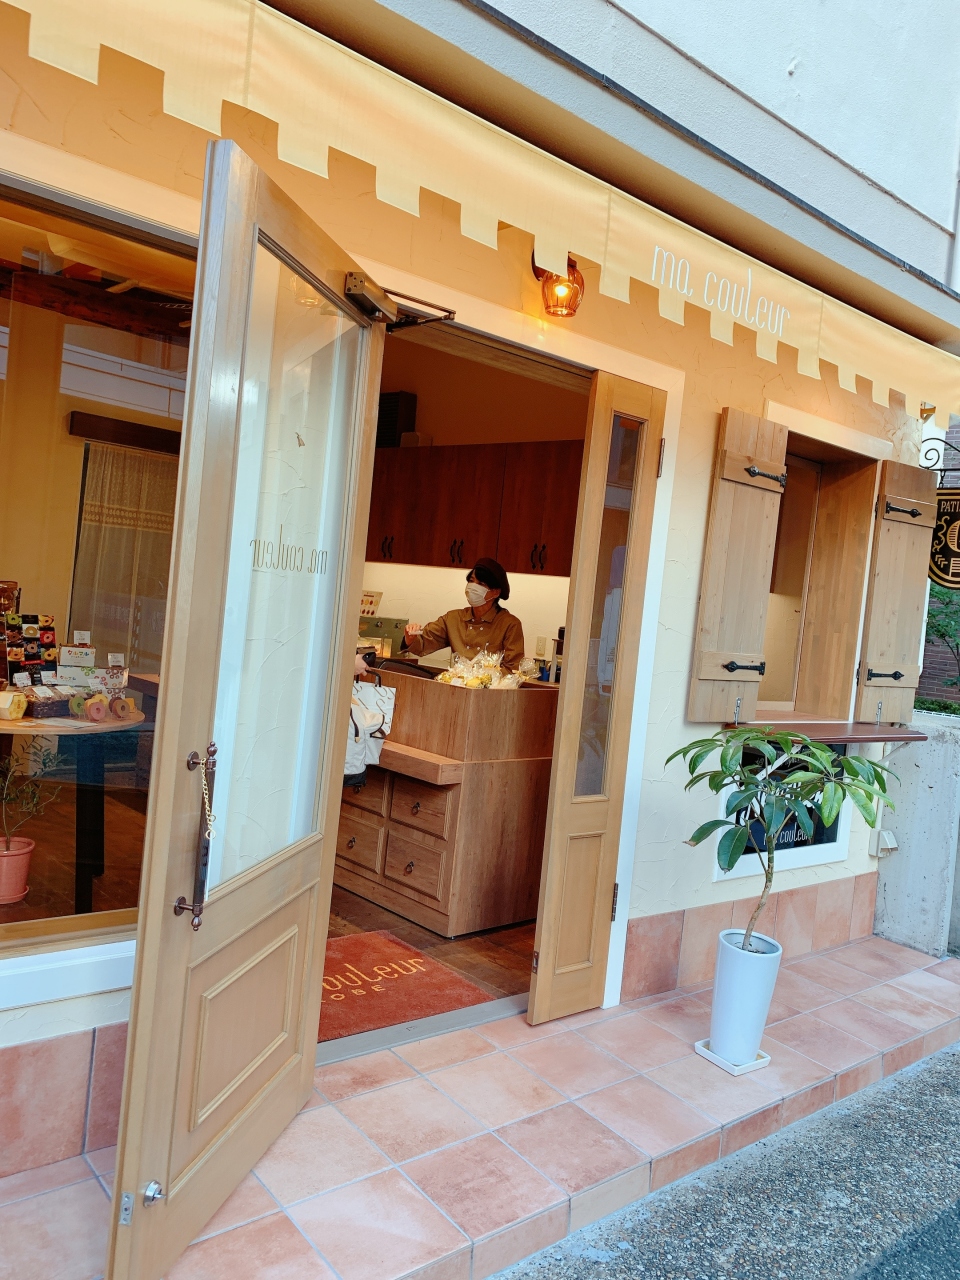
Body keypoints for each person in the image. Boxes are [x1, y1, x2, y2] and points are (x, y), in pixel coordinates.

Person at [403, 557, 525, 671]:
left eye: (481, 584)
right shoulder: (453, 618)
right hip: (456, 683)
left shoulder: (510, 624)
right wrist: (410, 639)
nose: (473, 586)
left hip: (492, 687)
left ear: (495, 592)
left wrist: (484, 680)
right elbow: (425, 640)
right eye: (471, 581)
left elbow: (513, 669)